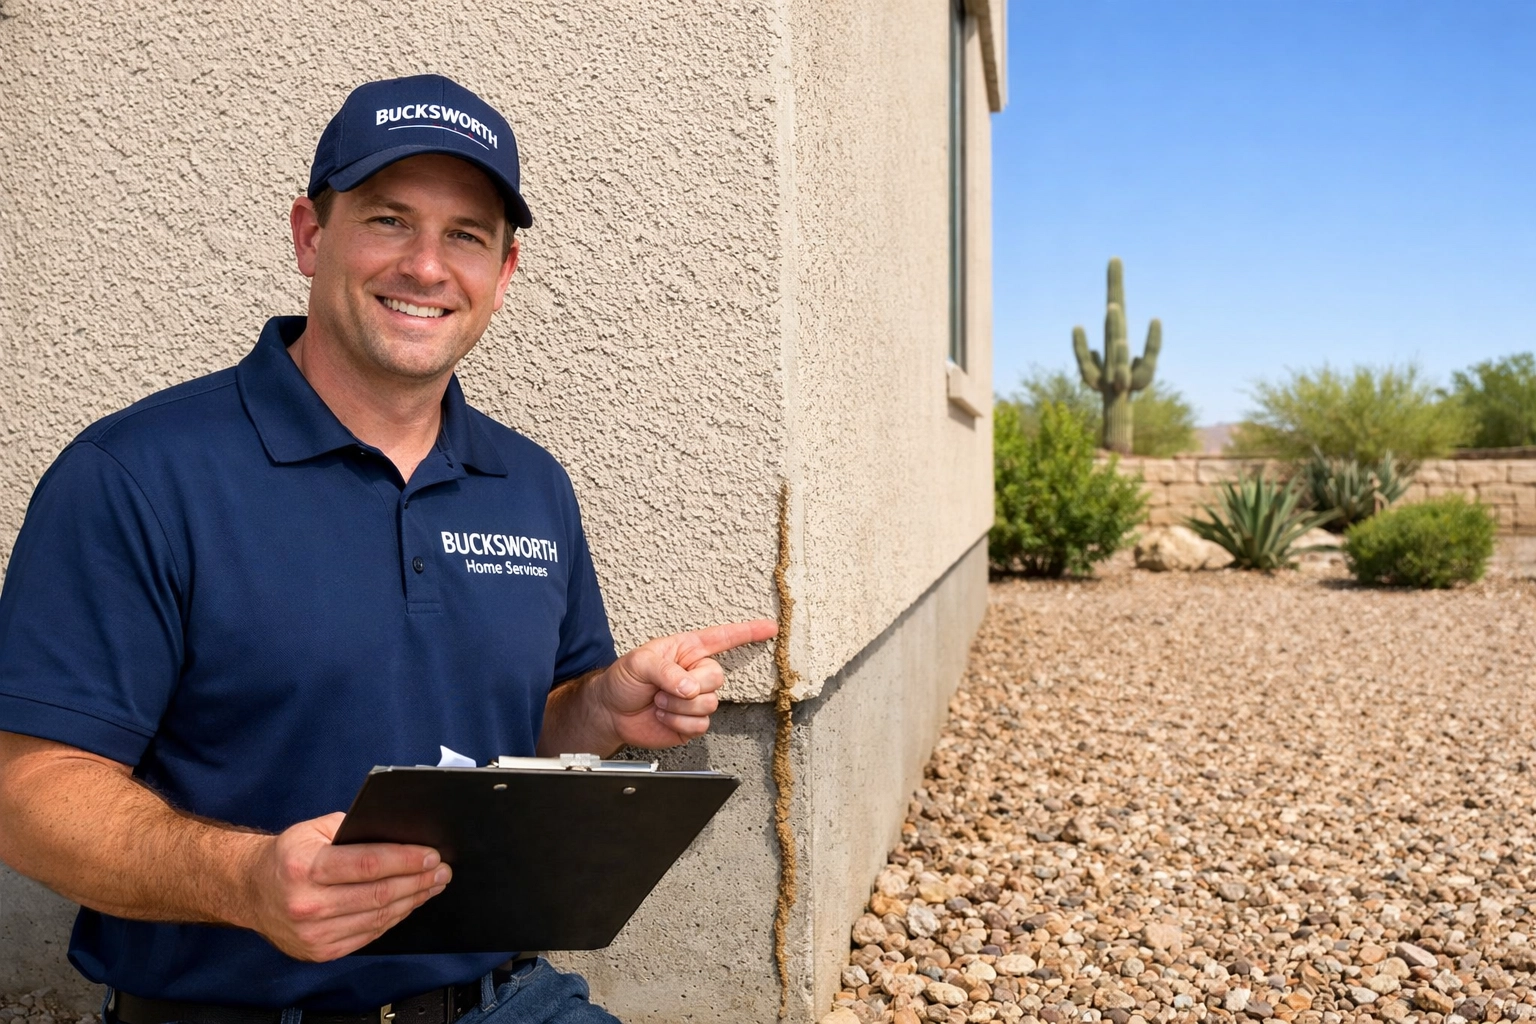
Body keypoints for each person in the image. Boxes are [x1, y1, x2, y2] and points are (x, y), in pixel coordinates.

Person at [0, 74, 775, 1024]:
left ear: (504, 271)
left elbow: (513, 746)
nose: (426, 266)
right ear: (309, 235)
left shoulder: (530, 486)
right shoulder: (138, 475)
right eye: (387, 219)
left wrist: (600, 709)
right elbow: (27, 792)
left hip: (504, 1000)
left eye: (466, 235)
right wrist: (244, 879)